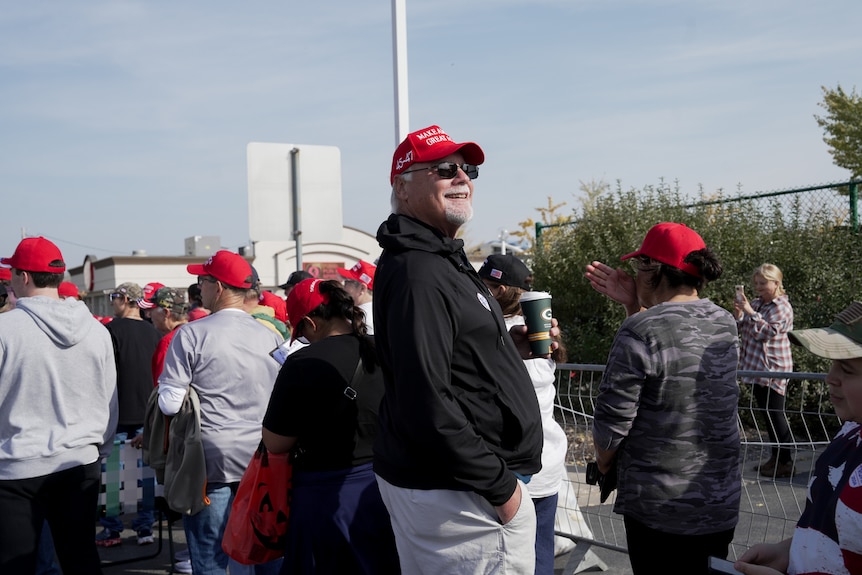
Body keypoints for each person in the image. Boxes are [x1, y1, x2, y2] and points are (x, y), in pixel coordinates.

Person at [373, 124, 547, 574]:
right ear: (403, 188)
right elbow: (424, 400)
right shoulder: (419, 271)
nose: (462, 178)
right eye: (444, 169)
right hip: (463, 497)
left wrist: (507, 350)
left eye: (467, 169)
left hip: (462, 490)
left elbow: (451, 361)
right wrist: (501, 489)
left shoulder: (439, 258)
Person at [585, 222, 741, 575]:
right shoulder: (725, 322)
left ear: (651, 269)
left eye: (640, 265)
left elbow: (612, 423)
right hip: (718, 500)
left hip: (659, 508)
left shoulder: (640, 330)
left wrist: (605, 464)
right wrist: (634, 305)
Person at [158, 250, 283, 575]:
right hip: (260, 459)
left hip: (209, 461)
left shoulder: (191, 334)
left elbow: (169, 403)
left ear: (220, 287)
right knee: (267, 552)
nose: (199, 287)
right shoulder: (269, 335)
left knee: (211, 558)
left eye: (203, 280)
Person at [262, 279, 400, 574]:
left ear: (311, 323)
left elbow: (276, 443)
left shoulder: (302, 362)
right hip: (388, 490)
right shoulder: (387, 351)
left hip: (324, 496)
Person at [0, 236, 118, 573]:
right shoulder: (96, 331)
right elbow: (108, 398)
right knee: (81, 558)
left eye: (11, 272)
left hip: (16, 465)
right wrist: (100, 449)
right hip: (80, 460)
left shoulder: (5, 330)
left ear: (23, 277)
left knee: (15, 563)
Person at [735, 301, 862, 575]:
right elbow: (838, 531)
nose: (830, 378)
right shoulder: (851, 429)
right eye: (833, 365)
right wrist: (788, 550)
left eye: (848, 370)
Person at [478, 254, 568, 575]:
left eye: (484, 286)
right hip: (547, 459)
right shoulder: (539, 332)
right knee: (540, 551)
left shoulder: (495, 333)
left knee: (508, 559)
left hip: (514, 466)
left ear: (499, 290)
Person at [97, 282, 162, 547]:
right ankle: (145, 528)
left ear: (124, 299)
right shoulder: (154, 333)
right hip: (148, 415)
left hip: (117, 415)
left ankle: (112, 530)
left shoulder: (109, 331)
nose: (112, 302)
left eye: (114, 297)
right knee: (145, 476)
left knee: (113, 478)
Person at [735, 263, 795, 478]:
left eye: (763, 284)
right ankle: (776, 458)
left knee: (776, 414)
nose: (758, 288)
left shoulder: (782, 307)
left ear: (776, 283)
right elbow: (743, 329)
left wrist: (750, 312)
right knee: (767, 415)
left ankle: (786, 462)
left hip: (774, 368)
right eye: (756, 284)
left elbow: (765, 333)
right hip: (756, 367)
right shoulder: (758, 304)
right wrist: (740, 313)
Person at [337, 260, 376, 335]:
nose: (343, 288)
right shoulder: (381, 312)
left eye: (347, 283)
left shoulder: (360, 318)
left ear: (362, 288)